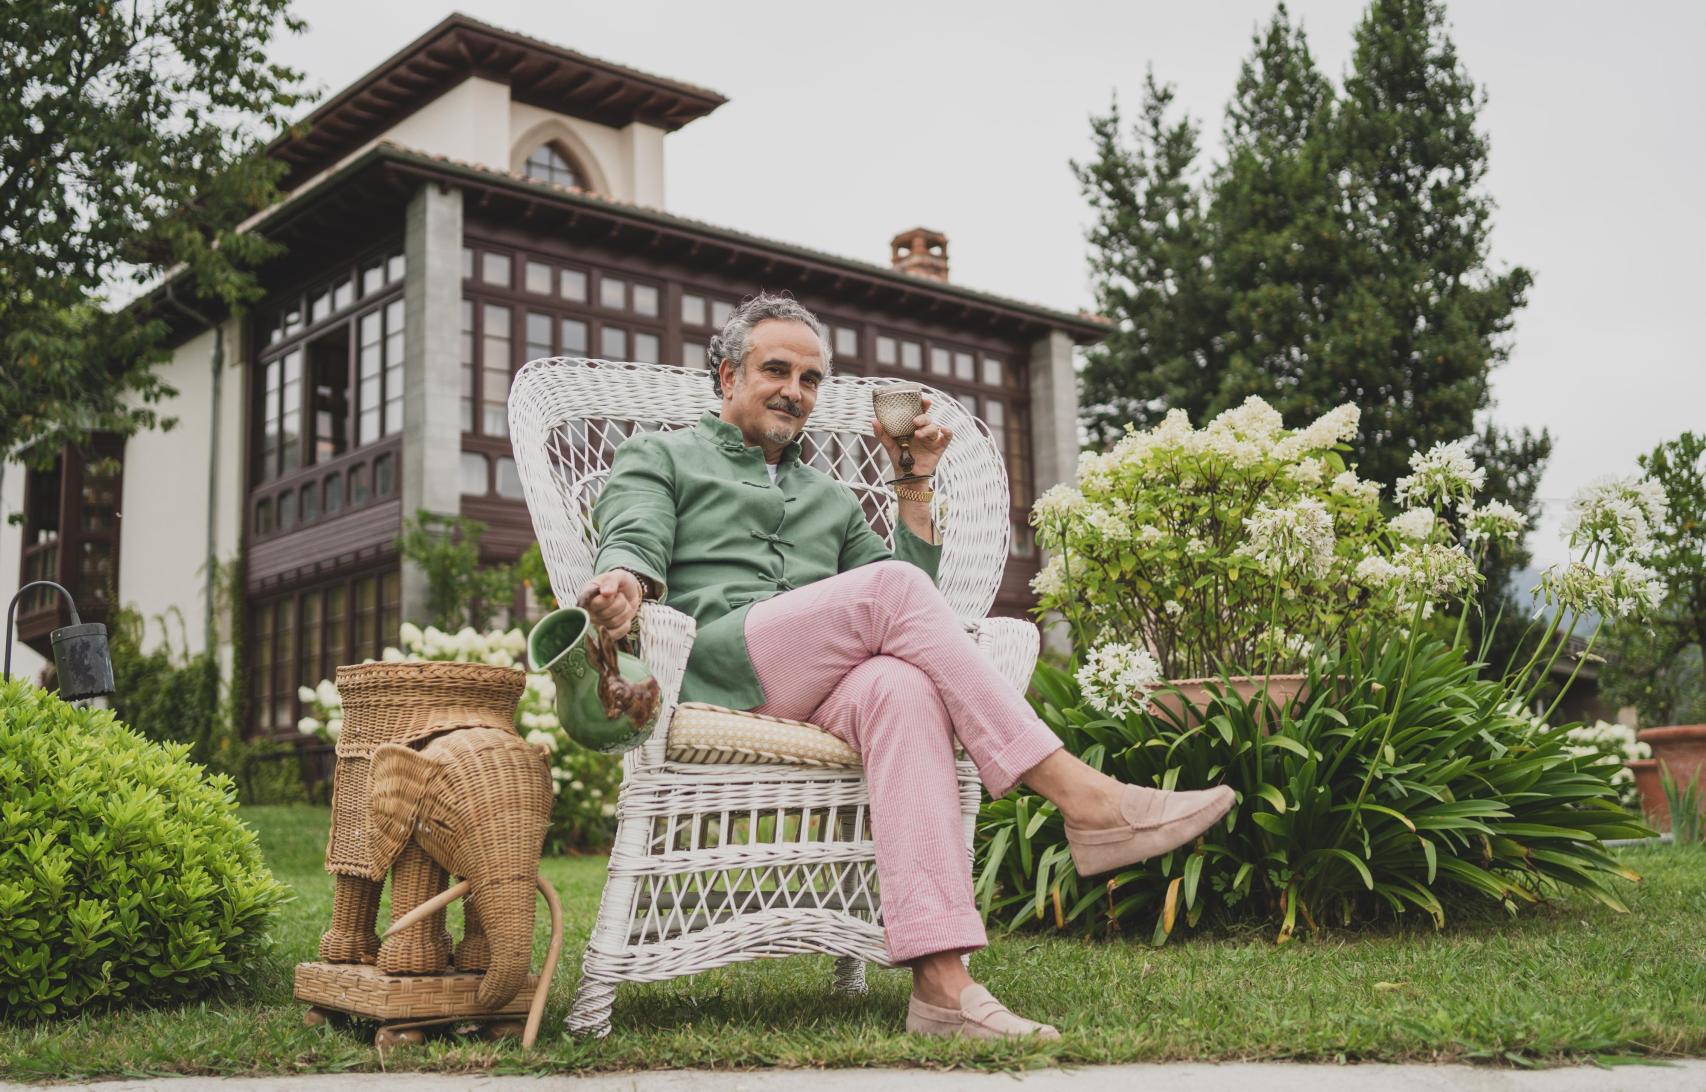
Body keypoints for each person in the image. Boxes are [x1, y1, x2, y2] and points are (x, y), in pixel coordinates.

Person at [581, 292, 1232, 1041]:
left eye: (812, 378)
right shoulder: (661, 456)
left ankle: (942, 988)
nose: (796, 390)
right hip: (720, 665)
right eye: (776, 370)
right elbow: (631, 535)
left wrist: (914, 481)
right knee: (888, 601)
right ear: (727, 376)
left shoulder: (826, 496)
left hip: (822, 683)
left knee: (903, 686)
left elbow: (903, 587)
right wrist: (624, 586)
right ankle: (1085, 799)